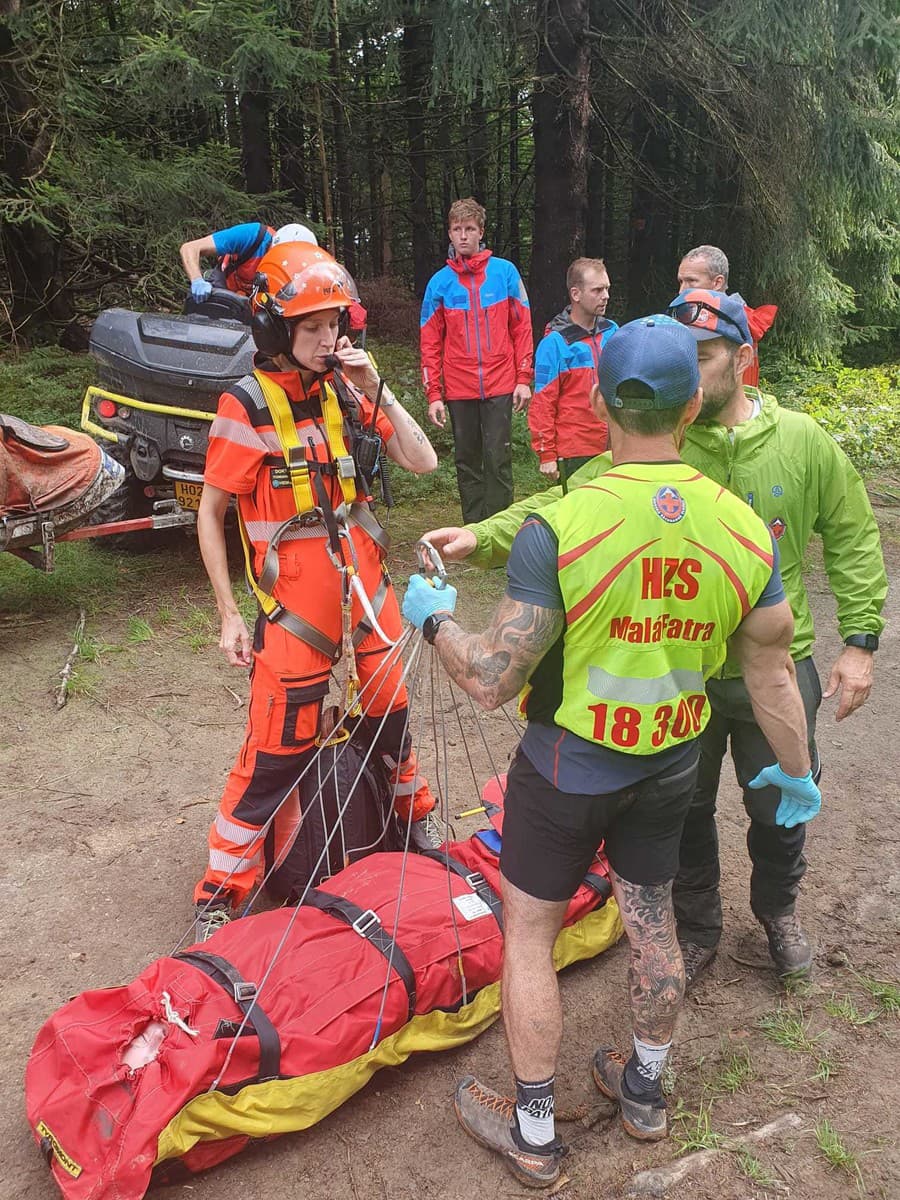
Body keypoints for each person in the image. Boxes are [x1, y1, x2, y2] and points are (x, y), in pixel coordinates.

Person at [402, 315, 819, 1185]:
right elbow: (774, 675)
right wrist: (796, 772)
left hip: (565, 771)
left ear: (596, 403)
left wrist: (434, 618)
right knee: (652, 920)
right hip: (670, 764)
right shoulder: (744, 531)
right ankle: (645, 1094)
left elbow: (490, 677)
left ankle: (535, 1131)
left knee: (528, 934)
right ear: (694, 402)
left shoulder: (561, 528)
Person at [420, 288, 885, 987]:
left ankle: (779, 914)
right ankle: (696, 928)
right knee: (685, 809)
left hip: (773, 664)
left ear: (743, 357)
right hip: (681, 671)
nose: (689, 373)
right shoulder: (665, 442)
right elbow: (567, 505)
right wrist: (484, 535)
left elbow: (852, 535)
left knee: (783, 799)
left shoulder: (802, 443)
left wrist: (860, 641)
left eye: (704, 356)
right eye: (683, 359)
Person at [193, 241, 440, 942]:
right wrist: (228, 613)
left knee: (391, 712)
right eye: (312, 327)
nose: (328, 338)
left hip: (362, 583)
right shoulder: (246, 404)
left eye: (334, 323)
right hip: (295, 601)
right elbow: (211, 514)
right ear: (276, 330)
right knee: (277, 747)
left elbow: (421, 461)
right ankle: (223, 886)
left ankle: (411, 826)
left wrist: (376, 384)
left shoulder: (346, 389)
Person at [419, 197, 533, 523]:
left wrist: (523, 378)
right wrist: (433, 394)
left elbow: (522, 327)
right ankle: (473, 530)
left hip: (500, 380)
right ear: (450, 234)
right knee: (467, 459)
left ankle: (498, 531)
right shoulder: (439, 284)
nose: (464, 236)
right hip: (458, 386)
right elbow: (429, 343)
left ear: (481, 231)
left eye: (470, 228)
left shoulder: (505, 273)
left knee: (498, 458)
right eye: (457, 229)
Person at [528, 257, 617, 484]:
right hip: (575, 450)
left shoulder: (613, 331)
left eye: (606, 288)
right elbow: (543, 402)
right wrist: (546, 453)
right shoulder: (555, 343)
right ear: (576, 294)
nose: (605, 296)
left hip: (616, 444)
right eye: (597, 290)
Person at [676, 245, 777, 386]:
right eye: (681, 281)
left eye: (691, 281)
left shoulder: (722, 323)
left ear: (717, 282)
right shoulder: (742, 318)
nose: (682, 291)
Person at [180, 220, 318, 302]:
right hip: (223, 287)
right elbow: (189, 248)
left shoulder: (300, 272)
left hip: (258, 304)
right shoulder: (252, 235)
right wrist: (197, 280)